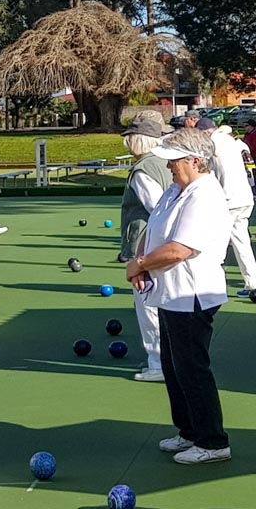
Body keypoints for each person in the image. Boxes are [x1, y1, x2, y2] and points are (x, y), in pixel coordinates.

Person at [127, 127, 233, 465]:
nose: (170, 167)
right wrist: (142, 264)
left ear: (196, 161)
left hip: (193, 293)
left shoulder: (205, 195)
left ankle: (213, 441)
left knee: (192, 368)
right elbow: (154, 231)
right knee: (174, 367)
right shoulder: (176, 189)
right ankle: (188, 432)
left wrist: (139, 264)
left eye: (175, 161)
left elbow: (179, 249)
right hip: (170, 293)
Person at [118, 111, 172, 382]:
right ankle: (166, 360)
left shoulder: (143, 171)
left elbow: (157, 208)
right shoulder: (166, 162)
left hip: (148, 247)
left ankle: (158, 363)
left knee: (148, 304)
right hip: (162, 246)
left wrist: (141, 258)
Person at [204, 117, 256, 297]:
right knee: (241, 241)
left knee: (215, 244)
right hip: (245, 198)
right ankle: (253, 283)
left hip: (228, 201)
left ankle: (212, 287)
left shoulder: (213, 146)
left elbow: (216, 176)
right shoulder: (236, 143)